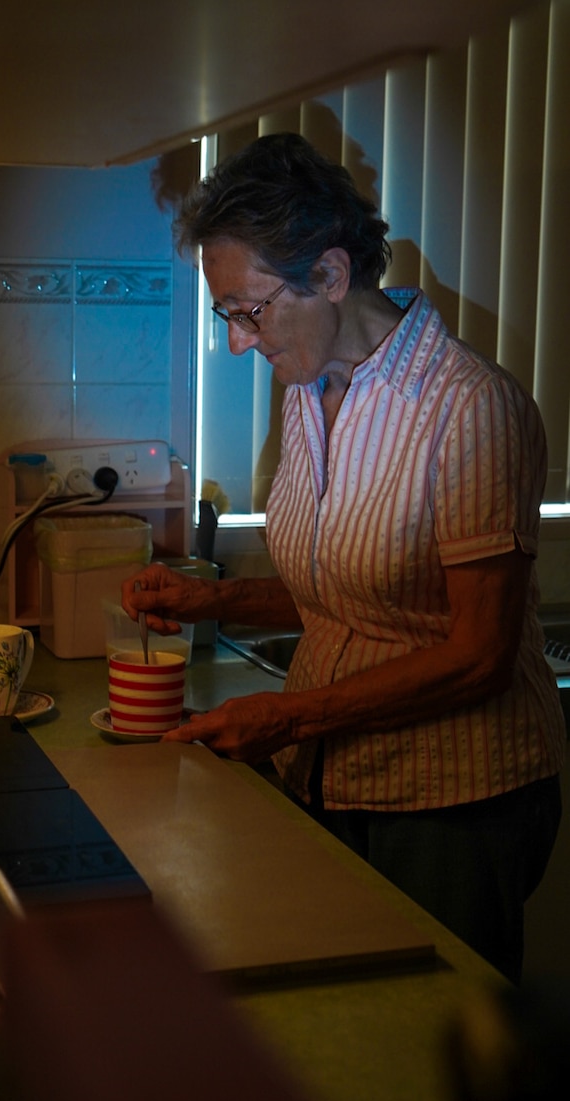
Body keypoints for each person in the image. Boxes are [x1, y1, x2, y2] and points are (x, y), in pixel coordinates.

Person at [122, 132, 564, 984]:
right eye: (227, 316)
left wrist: (286, 718)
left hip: (453, 802)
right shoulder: (314, 391)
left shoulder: (471, 410)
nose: (241, 344)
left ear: (329, 275)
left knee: (436, 1066)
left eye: (250, 311)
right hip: (333, 773)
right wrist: (206, 600)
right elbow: (347, 593)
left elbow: (479, 654)